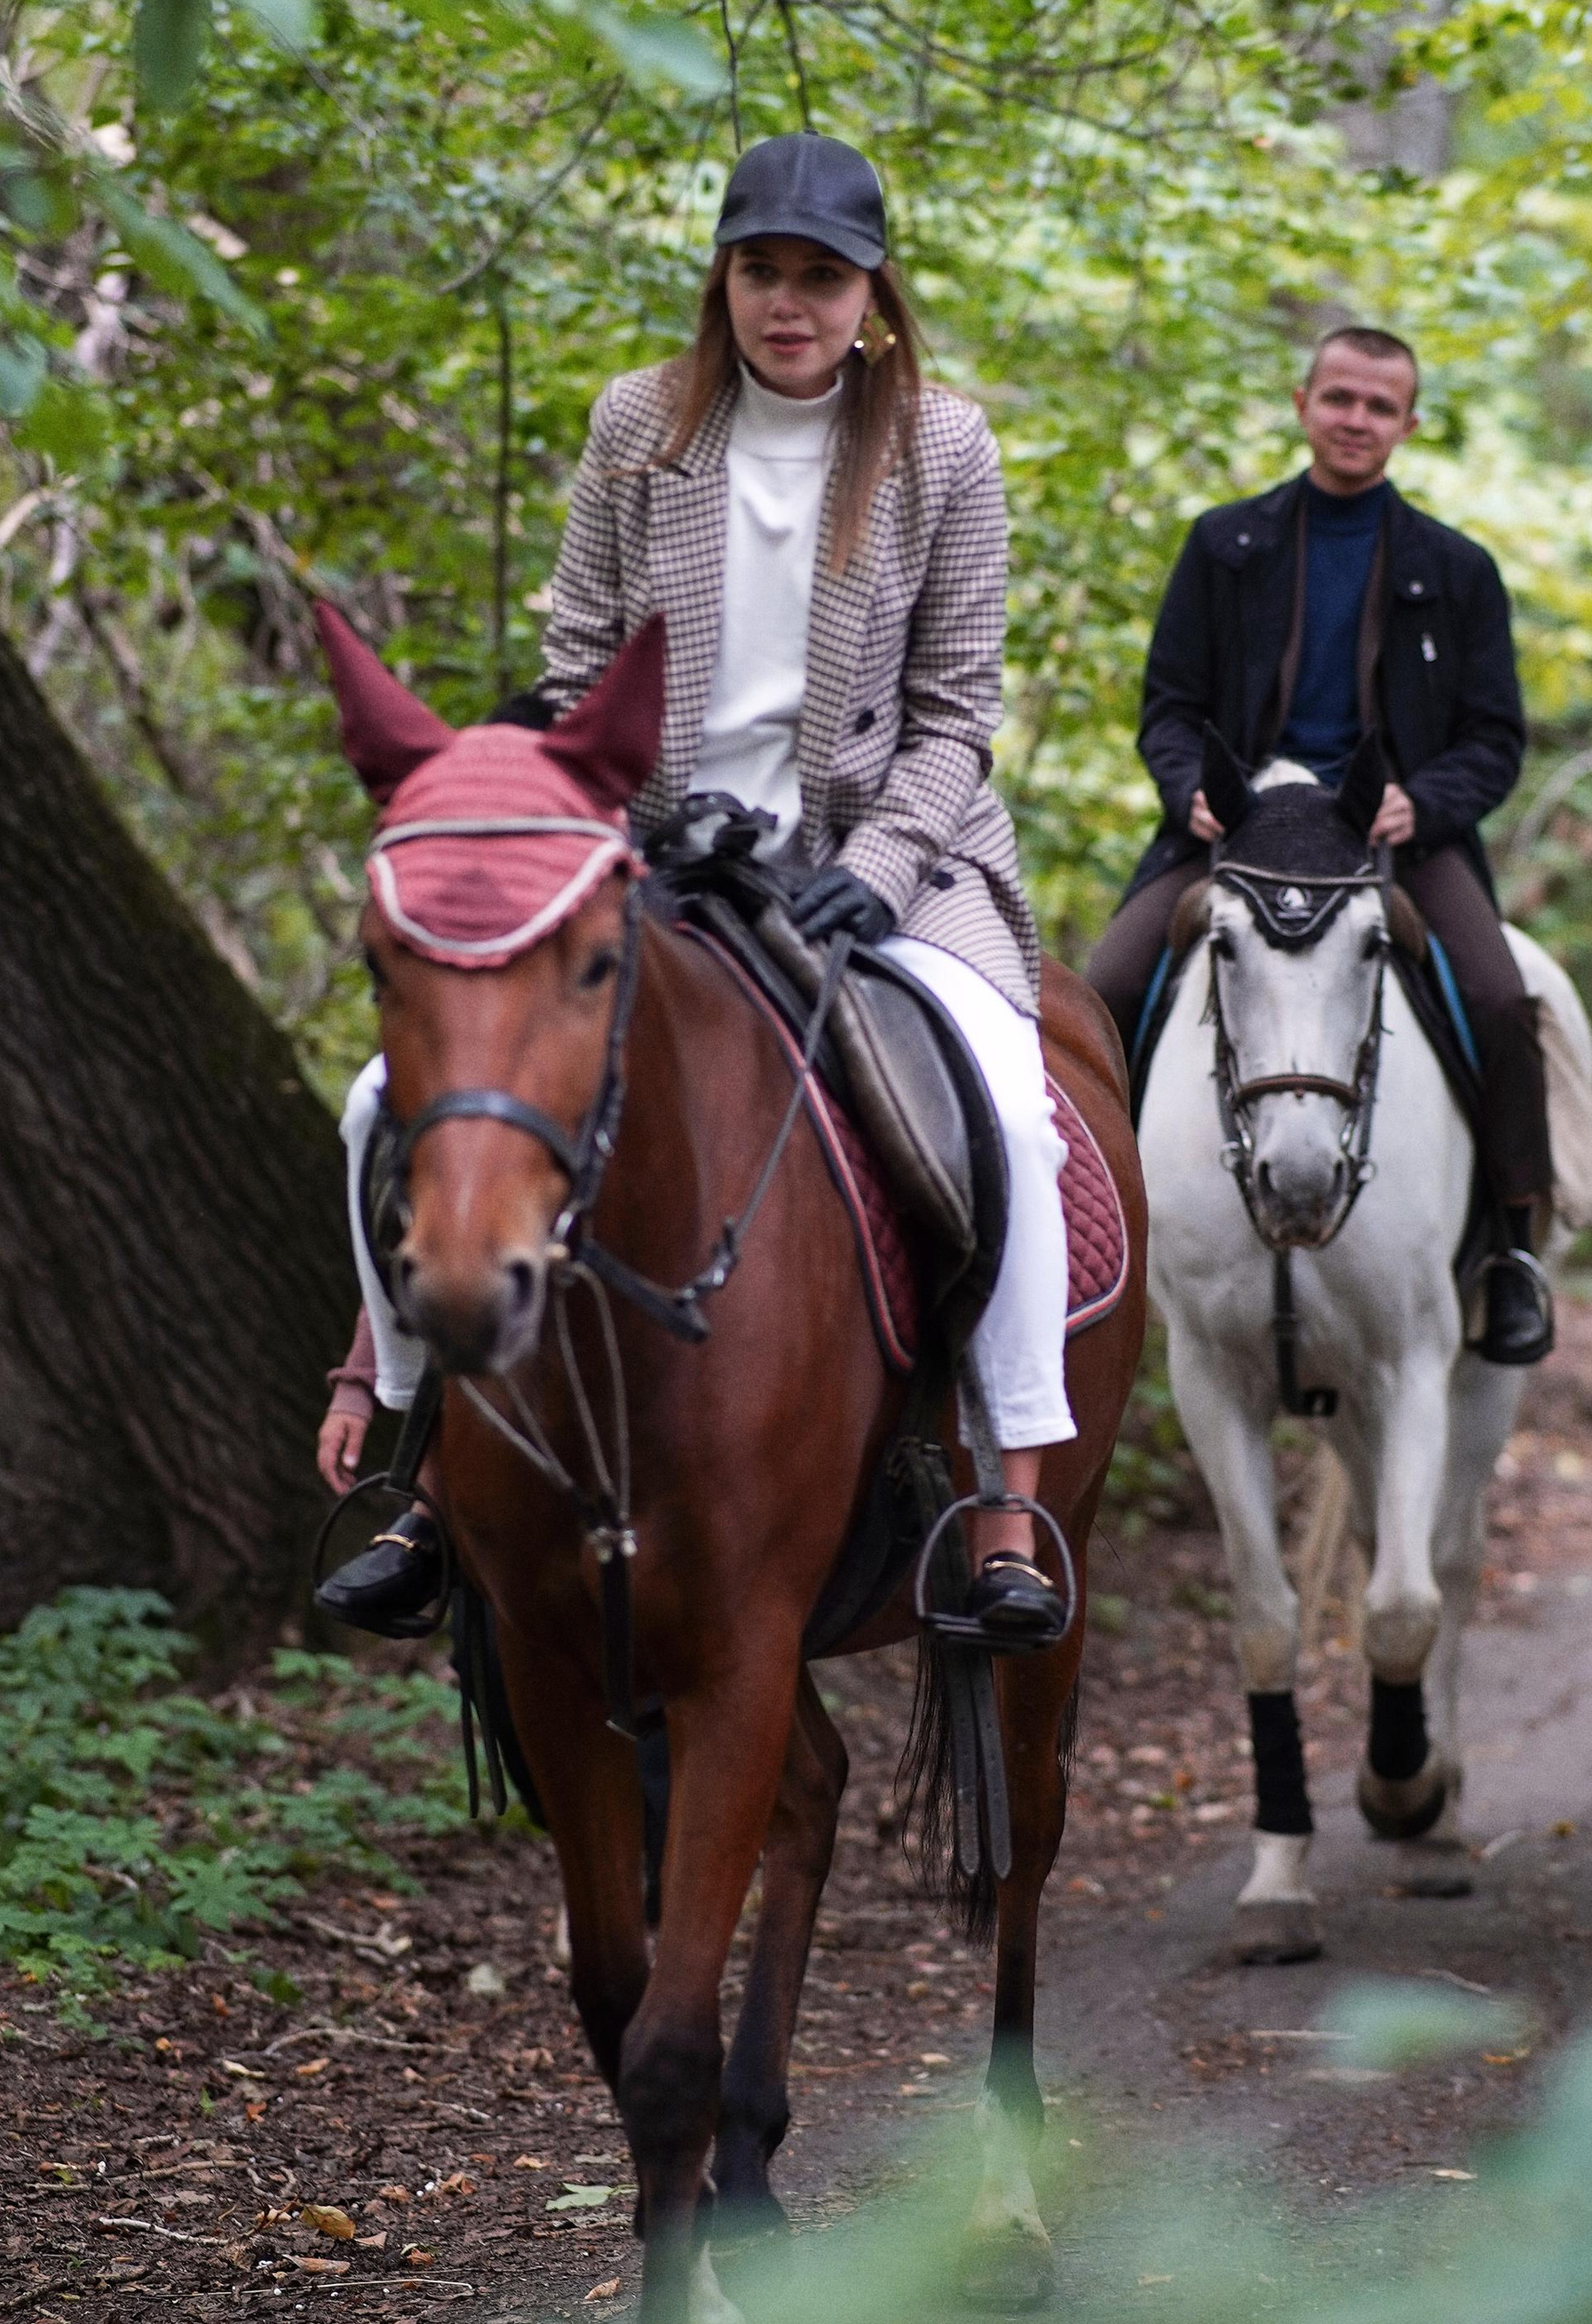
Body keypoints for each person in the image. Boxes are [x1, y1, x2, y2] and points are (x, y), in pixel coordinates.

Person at [316, 131, 1075, 1638]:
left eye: (821, 277)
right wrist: (596, 821)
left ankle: (1008, 1495)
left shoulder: (949, 447)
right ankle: (422, 1451)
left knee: (1005, 1103)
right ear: (722, 279)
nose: (789, 303)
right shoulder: (637, 426)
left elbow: (954, 714)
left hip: (886, 861)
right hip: (656, 854)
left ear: (874, 292)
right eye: (761, 271)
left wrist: (867, 870)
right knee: (374, 1104)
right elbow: (582, 661)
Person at [1083, 322, 1556, 1364]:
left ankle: (1511, 1247)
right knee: (1097, 994)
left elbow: (1494, 738)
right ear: (1302, 404)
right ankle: (1083, 1251)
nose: (1356, 420)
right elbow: (1168, 708)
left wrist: (1418, 804)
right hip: (1237, 832)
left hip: (1387, 835)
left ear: (1409, 425)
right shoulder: (1223, 546)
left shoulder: (1456, 569)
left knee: (1497, 1001)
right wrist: (1189, 793)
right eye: (1339, 398)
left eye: (1380, 406)